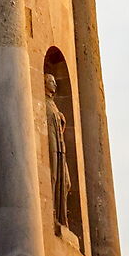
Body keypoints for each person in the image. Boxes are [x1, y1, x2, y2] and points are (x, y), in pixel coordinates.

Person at [45, 73, 72, 230]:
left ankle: (61, 218)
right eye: (51, 81)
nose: (54, 84)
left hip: (60, 146)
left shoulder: (53, 105)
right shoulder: (45, 103)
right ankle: (53, 214)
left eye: (55, 81)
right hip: (52, 144)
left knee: (66, 182)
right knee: (53, 176)